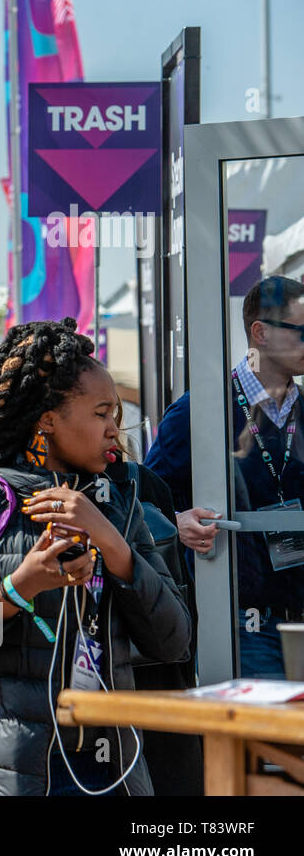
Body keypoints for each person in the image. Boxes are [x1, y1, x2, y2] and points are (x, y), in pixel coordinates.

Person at [0, 318, 190, 796]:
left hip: (111, 768)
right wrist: (20, 586)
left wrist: (111, 542)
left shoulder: (119, 505)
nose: (113, 430)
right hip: (7, 770)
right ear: (47, 420)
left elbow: (173, 640)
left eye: (117, 416)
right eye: (101, 413)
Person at [147, 275, 304, 679]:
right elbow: (144, 498)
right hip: (243, 625)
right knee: (259, 741)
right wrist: (176, 522)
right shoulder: (199, 409)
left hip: (298, 614)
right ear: (261, 332)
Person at [105, 400, 203, 796]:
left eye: (109, 413)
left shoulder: (142, 482)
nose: (111, 427)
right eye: (97, 413)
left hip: (152, 668)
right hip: (137, 673)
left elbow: (177, 600)